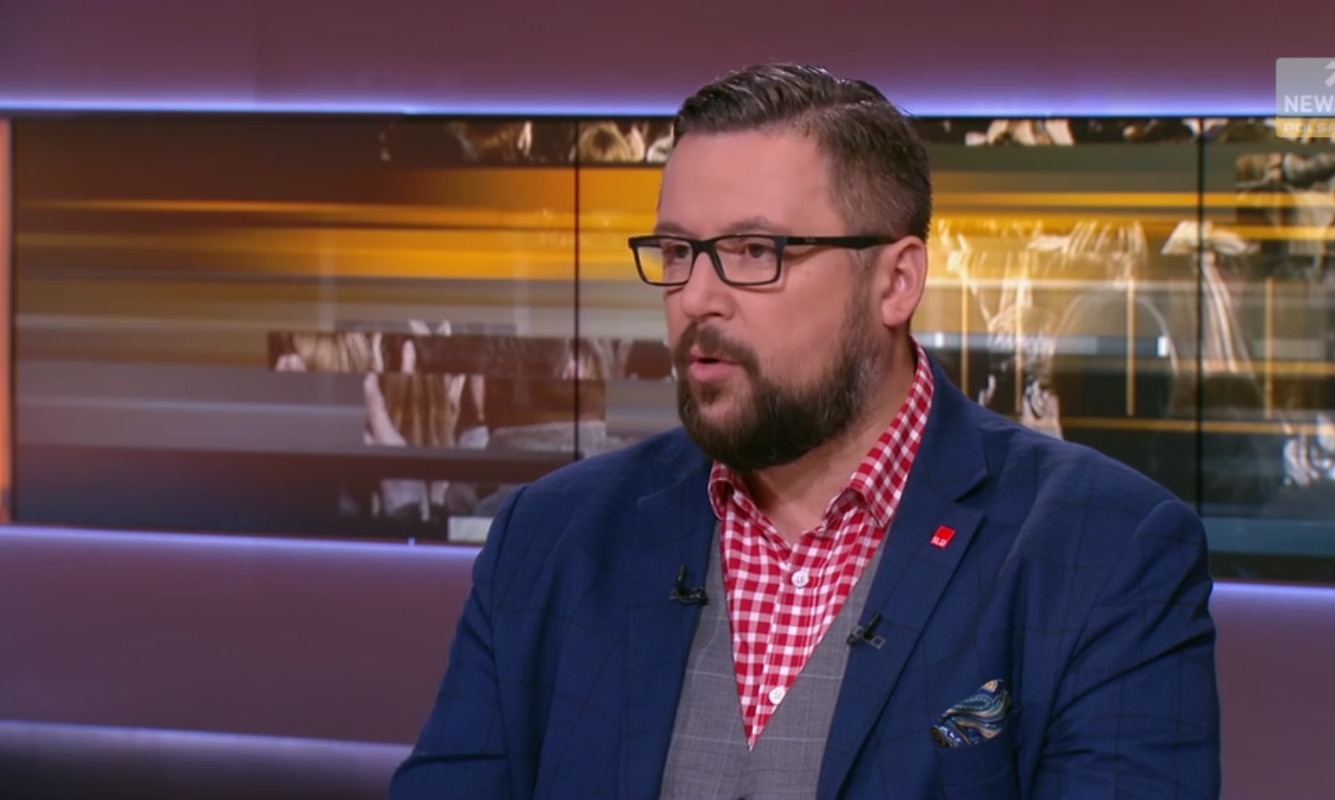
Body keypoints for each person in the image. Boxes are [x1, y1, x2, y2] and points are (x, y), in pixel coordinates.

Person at [389, 63, 1220, 800]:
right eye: (676, 251)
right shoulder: (549, 539)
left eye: (755, 251)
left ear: (895, 282)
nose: (697, 298)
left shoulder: (1103, 551)